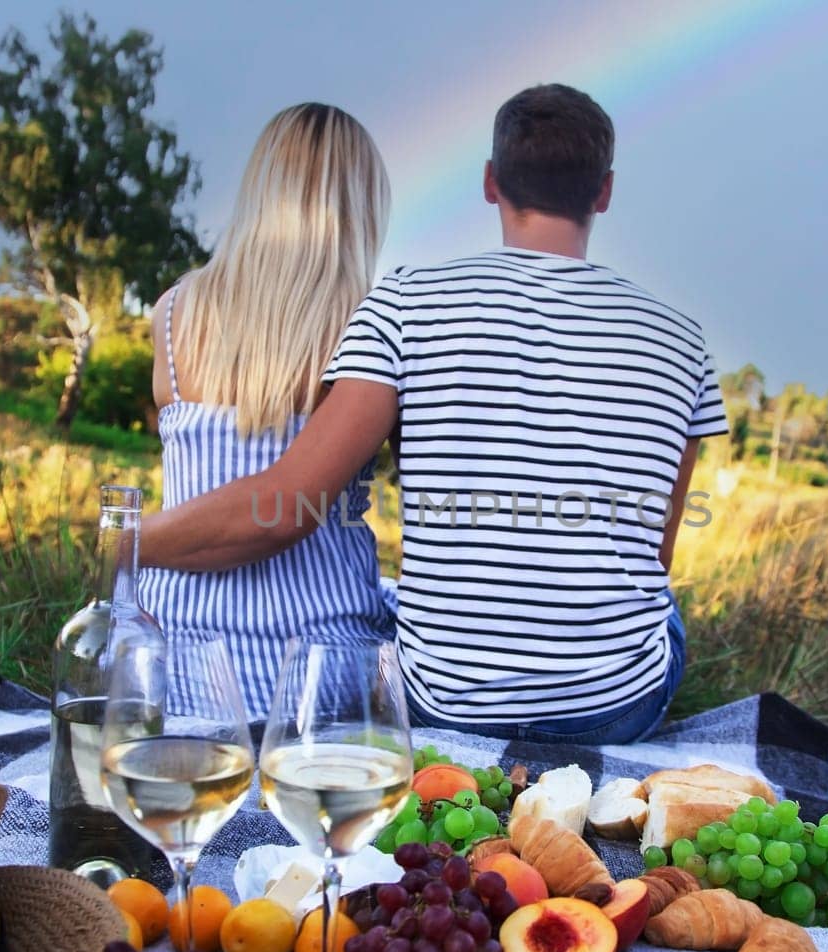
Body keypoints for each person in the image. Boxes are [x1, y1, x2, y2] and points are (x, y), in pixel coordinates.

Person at [142, 85, 730, 743]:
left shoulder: (401, 304)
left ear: (489, 182)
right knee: (654, 604)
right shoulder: (684, 339)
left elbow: (287, 499)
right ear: (604, 191)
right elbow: (655, 552)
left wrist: (128, 539)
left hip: (441, 699)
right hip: (612, 706)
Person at [136, 103, 394, 720]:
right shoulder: (375, 322)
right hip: (314, 681)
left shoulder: (173, 313)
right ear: (361, 206)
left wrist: (123, 545)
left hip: (180, 667)